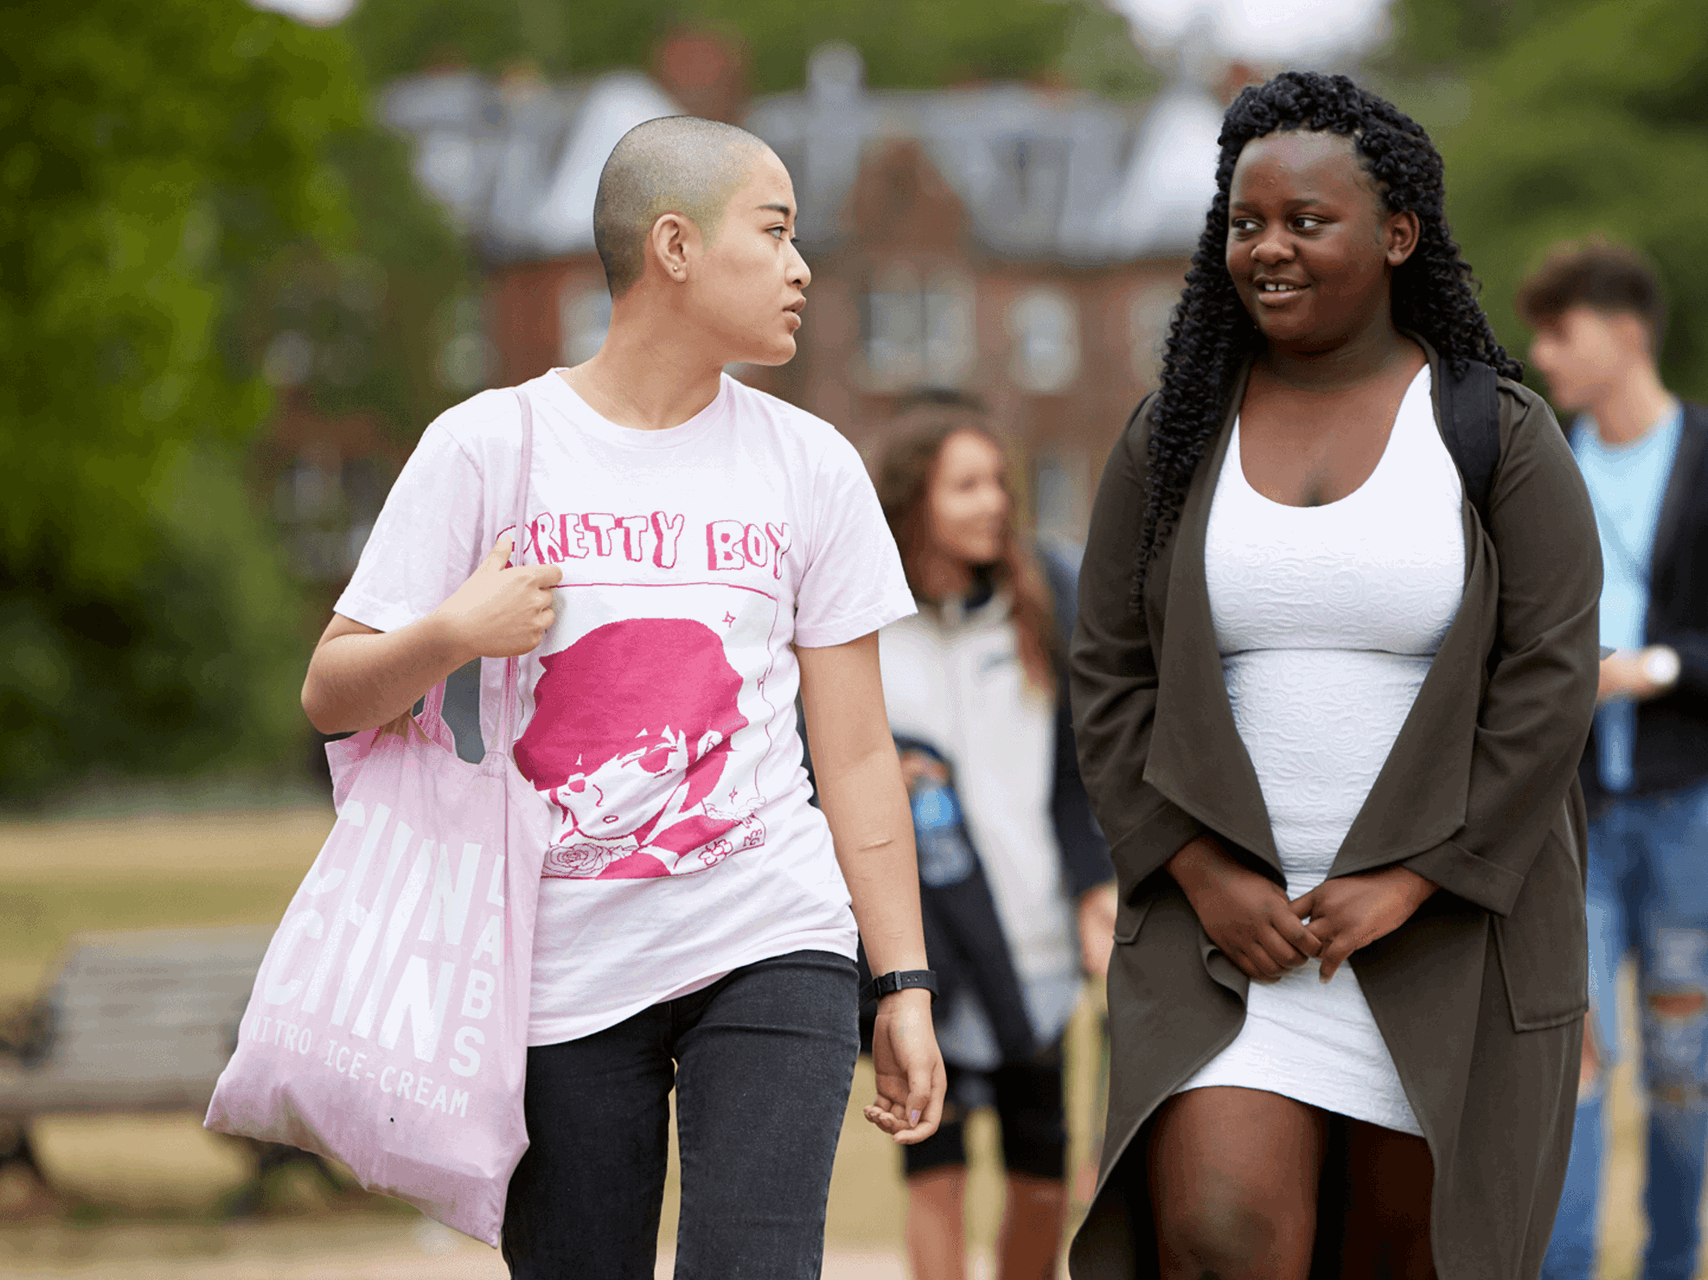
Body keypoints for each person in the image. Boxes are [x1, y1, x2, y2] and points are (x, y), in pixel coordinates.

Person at [299, 116, 946, 1278]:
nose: (804, 267)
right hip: (550, 963)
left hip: (771, 926)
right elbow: (331, 691)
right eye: (777, 230)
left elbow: (853, 757)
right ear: (675, 246)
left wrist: (900, 978)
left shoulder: (812, 465)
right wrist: (452, 632)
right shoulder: (489, 446)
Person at [1066, 71, 1603, 1280]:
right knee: (1222, 1230)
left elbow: (1551, 681)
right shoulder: (1173, 437)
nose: (1269, 249)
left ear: (1397, 234)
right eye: (1247, 222)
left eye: (1308, 222)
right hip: (1228, 949)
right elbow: (1106, 675)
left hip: (1444, 943)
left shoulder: (1497, 435)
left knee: (1406, 1254)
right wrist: (1202, 872)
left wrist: (1411, 879)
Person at [1520, 238, 1708, 1280]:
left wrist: (1650, 668)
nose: (1543, 353)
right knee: (1573, 1056)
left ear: (1627, 330)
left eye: (1562, 330)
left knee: (1682, 1066)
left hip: (1698, 811)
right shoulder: (1541, 459)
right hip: (1578, 820)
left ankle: (1673, 1262)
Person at [872, 395, 1117, 1280]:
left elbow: (1075, 775)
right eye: (965, 485)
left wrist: (1095, 888)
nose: (992, 504)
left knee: (1042, 1183)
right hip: (924, 954)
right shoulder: (859, 620)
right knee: (933, 1178)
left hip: (1039, 947)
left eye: (997, 484)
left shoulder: (1043, 596)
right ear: (911, 500)